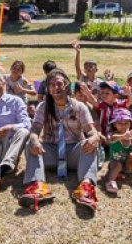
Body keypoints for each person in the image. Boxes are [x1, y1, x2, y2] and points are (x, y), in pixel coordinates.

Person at [18, 70, 101, 212]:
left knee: (90, 145)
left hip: (73, 151)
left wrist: (95, 138)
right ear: (48, 90)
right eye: (51, 85)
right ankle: (38, 186)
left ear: (67, 85)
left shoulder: (80, 107)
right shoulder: (43, 107)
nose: (55, 87)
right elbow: (35, 131)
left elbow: (91, 131)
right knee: (30, 144)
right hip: (50, 151)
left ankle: (85, 188)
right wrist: (34, 141)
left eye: (58, 84)